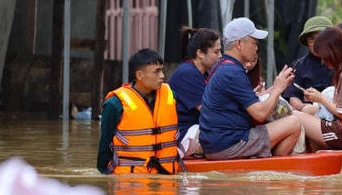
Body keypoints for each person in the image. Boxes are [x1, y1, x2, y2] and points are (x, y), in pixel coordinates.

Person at [199, 17, 302, 159]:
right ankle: (276, 169)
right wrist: (277, 89)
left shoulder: (223, 65)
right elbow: (260, 114)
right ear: (239, 43)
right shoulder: (232, 71)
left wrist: (277, 86)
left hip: (216, 144)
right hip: (229, 145)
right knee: (294, 123)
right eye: (254, 44)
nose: (256, 49)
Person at [97, 49, 180, 174]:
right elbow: (104, 148)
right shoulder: (115, 104)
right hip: (129, 180)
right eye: (156, 72)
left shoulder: (170, 95)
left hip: (167, 176)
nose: (162, 76)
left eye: (162, 70)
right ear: (139, 75)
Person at [294, 26, 342, 150]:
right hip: (340, 128)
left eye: (323, 56)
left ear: (332, 52)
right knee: (305, 112)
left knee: (294, 118)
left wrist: (321, 98)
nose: (322, 60)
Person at [166, 27, 221, 157]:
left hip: (195, 128)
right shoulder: (188, 74)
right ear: (200, 53)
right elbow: (209, 112)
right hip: (184, 135)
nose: (220, 56)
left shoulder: (204, 73)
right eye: (216, 52)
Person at [287, 16, 334, 112]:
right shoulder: (299, 65)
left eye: (322, 37)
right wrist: (303, 108)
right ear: (307, 42)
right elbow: (293, 96)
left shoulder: (341, 63)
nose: (318, 43)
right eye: (312, 39)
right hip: (308, 115)